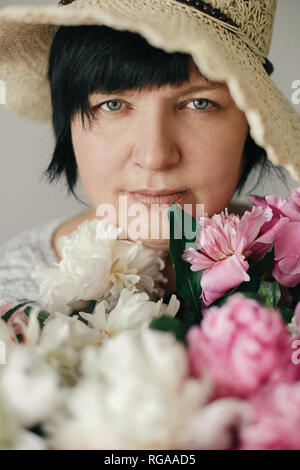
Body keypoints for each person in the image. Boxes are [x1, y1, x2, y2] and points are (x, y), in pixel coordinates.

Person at [0, 0, 299, 307]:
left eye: (199, 104)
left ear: (251, 121)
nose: (156, 156)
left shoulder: (292, 275)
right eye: (113, 105)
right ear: (69, 123)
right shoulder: (15, 306)